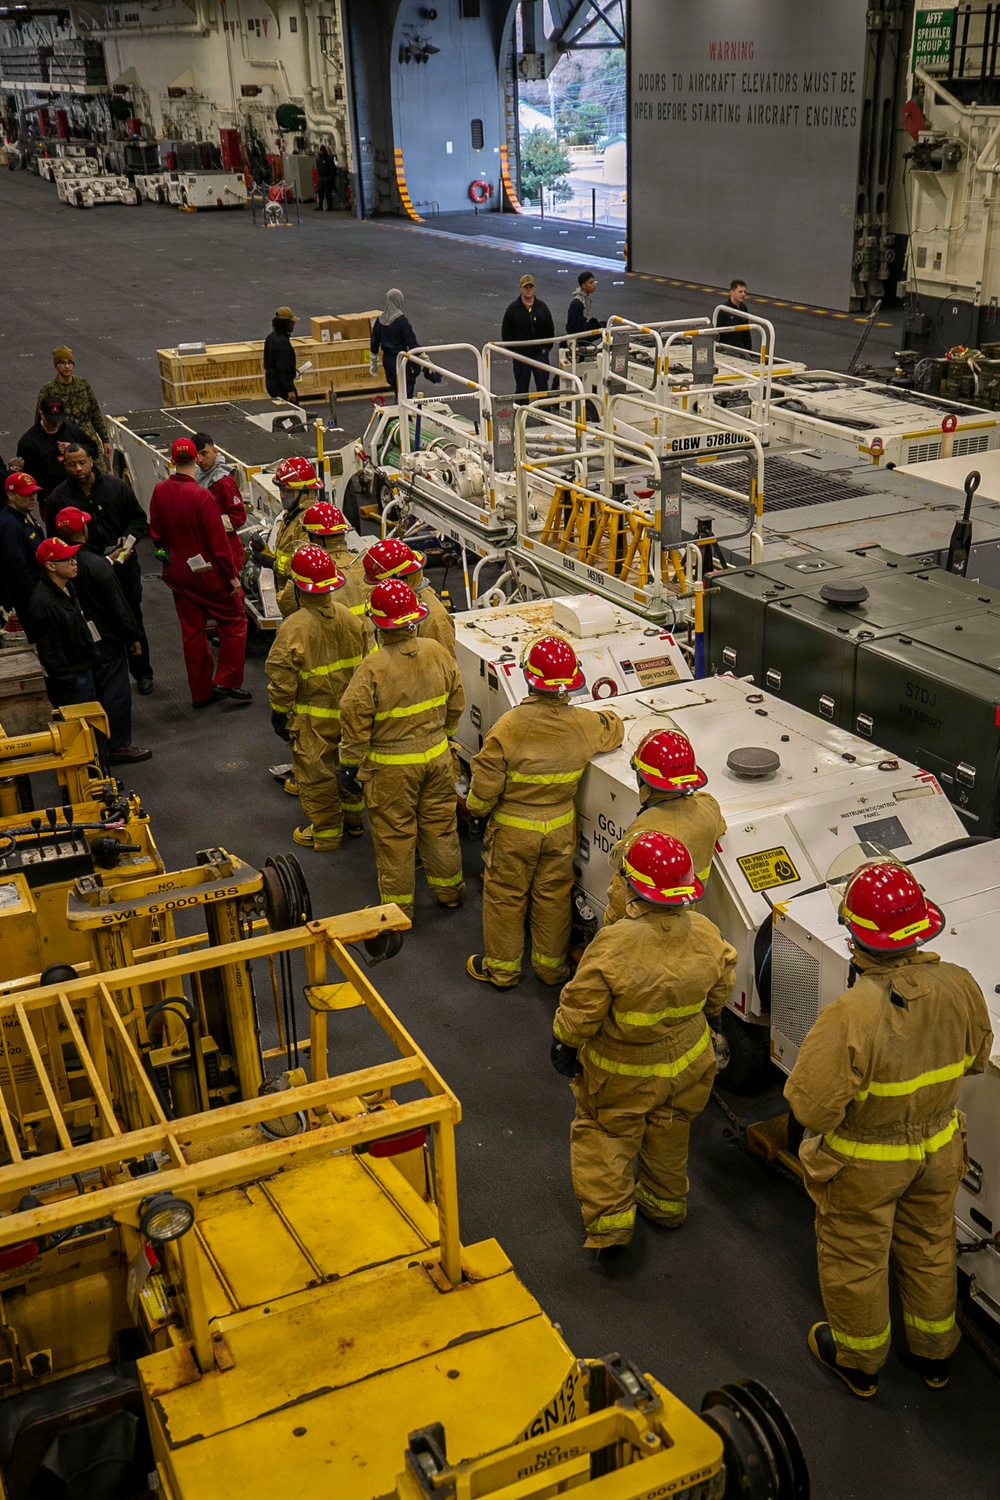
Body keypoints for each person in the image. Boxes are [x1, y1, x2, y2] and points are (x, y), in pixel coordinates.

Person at [784, 856, 992, 1399]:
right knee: (929, 1245)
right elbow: (976, 1059)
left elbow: (811, 1108)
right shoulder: (961, 985)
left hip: (866, 1164)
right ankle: (935, 1355)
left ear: (855, 936)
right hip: (942, 1147)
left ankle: (858, 1360)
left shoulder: (852, 1014)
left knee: (857, 1254)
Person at [551, 830, 738, 1251]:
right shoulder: (707, 932)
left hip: (623, 1074)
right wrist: (709, 1019)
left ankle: (613, 1228)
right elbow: (721, 989)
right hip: (690, 1062)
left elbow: (582, 1007)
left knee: (606, 1138)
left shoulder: (615, 944)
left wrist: (564, 1041)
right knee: (669, 1130)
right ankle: (666, 1205)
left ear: (632, 886)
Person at [466, 635, 623, 989]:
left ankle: (503, 970)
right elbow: (614, 728)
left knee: (506, 896)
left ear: (529, 678)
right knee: (552, 896)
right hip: (560, 829)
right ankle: (551, 969)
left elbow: (485, 783)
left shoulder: (508, 727)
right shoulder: (583, 724)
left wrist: (476, 814)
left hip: (512, 831)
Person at [339, 579, 465, 916]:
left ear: (378, 624)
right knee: (440, 825)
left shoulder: (372, 668)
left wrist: (349, 765)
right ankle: (450, 891)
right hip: (438, 757)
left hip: (391, 768)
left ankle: (399, 911)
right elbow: (456, 701)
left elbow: (354, 719)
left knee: (395, 836)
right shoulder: (437, 652)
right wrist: (445, 735)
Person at [267, 545, 365, 852]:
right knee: (349, 767)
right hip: (351, 714)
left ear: (298, 586)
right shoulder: (350, 618)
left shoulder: (294, 628)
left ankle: (326, 834)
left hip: (313, 718)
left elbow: (282, 679)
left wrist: (278, 713)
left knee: (317, 776)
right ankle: (354, 821)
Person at [148, 437, 250, 710]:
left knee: (192, 633)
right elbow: (218, 545)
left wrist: (171, 559)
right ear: (196, 459)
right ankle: (227, 681)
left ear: (172, 460)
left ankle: (200, 693)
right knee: (234, 621)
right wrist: (232, 578)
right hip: (208, 577)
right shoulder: (202, 496)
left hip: (178, 576)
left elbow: (156, 536)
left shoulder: (159, 491)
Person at [49, 443, 153, 694]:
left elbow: (139, 519)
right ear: (65, 465)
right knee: (96, 621)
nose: (78, 468)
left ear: (91, 460)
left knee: (131, 615)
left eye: (82, 462)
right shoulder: (59, 498)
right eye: (72, 464)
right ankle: (105, 673)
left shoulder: (117, 487)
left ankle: (142, 671)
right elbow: (55, 539)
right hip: (85, 572)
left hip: (124, 567)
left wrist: (128, 539)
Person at [53, 507, 150, 764]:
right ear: (84, 530)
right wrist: (134, 636)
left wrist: (106, 560)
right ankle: (118, 745)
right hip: (108, 639)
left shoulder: (59, 567)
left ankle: (94, 745)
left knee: (91, 693)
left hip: (79, 642)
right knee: (116, 691)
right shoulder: (96, 566)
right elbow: (118, 606)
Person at [604, 730, 726, 926]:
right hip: (686, 924)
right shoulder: (709, 810)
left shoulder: (643, 836)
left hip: (644, 932)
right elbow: (709, 808)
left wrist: (610, 930)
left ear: (643, 778)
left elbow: (620, 898)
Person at [28, 537, 100, 712]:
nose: (74, 563)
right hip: (72, 682)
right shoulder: (43, 604)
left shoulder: (67, 588)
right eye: (67, 560)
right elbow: (49, 650)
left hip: (84, 670)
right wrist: (68, 680)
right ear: (51, 566)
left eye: (74, 557)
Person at [276, 500, 368, 622]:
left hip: (332, 639)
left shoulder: (312, 574)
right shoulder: (364, 566)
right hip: (370, 639)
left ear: (317, 537)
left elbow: (286, 605)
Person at [361, 537, 455, 656]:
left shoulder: (435, 618)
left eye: (382, 583)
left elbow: (443, 667)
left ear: (401, 579)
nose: (380, 589)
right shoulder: (395, 602)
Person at [36, 346, 110, 471]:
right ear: (56, 366)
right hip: (63, 442)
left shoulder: (83, 385)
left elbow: (95, 413)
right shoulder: (48, 390)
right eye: (62, 363)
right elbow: (40, 420)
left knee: (100, 475)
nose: (67, 366)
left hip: (88, 440)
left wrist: (105, 439)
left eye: (69, 362)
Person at [16, 398, 95, 500]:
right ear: (41, 414)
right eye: (51, 420)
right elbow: (28, 476)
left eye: (59, 419)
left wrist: (75, 448)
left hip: (81, 490)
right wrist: (43, 497)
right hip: (52, 496)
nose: (56, 424)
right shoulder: (28, 442)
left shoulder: (71, 430)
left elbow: (93, 448)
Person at [193, 432, 247, 575]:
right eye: (196, 455)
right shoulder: (197, 475)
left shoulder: (224, 482)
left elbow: (239, 517)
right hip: (207, 549)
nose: (200, 460)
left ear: (215, 451)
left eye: (204, 453)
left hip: (227, 552)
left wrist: (209, 524)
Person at [0, 471, 46, 630]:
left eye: (34, 493)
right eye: (26, 494)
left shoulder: (24, 514)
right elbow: (18, 569)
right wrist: (42, 594)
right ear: (11, 496)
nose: (33, 497)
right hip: (30, 601)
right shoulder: (11, 527)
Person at [268, 456, 322, 589]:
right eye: (281, 489)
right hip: (286, 593)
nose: (282, 495)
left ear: (305, 493)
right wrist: (265, 552)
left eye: (288, 491)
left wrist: (272, 562)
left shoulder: (310, 521)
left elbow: (305, 568)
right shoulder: (291, 515)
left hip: (298, 597)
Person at [501, 274, 555, 399]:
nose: (528, 289)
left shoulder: (542, 307)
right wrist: (515, 351)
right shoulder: (513, 309)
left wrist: (545, 349)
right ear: (520, 288)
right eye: (526, 287)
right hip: (521, 355)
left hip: (540, 353)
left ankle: (544, 413)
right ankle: (521, 413)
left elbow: (550, 329)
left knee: (543, 386)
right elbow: (506, 333)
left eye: (530, 286)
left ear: (534, 288)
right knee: (521, 388)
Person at [370, 289, 420, 399]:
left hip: (387, 360)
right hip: (400, 359)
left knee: (396, 388)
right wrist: (422, 359)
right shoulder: (401, 320)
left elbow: (374, 343)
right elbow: (412, 342)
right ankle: (404, 414)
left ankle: (399, 407)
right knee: (406, 390)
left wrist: (373, 363)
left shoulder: (380, 320)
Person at [264, 306, 299, 401]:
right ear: (286, 324)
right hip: (280, 385)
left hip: (271, 382)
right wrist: (289, 390)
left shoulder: (270, 337)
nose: (293, 325)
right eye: (292, 323)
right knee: (293, 412)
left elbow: (272, 362)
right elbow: (282, 368)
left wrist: (291, 367)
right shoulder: (282, 343)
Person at [716, 279, 753, 351]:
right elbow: (719, 332)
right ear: (732, 292)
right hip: (726, 349)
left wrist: (749, 351)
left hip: (740, 348)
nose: (743, 294)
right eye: (740, 292)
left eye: (744, 292)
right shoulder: (723, 309)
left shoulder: (743, 308)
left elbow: (746, 333)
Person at [566, 270, 604, 338]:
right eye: (591, 283)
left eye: (594, 282)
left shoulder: (584, 300)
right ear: (583, 285)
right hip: (580, 335)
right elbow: (571, 326)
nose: (594, 285)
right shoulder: (577, 303)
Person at [315, 145, 336, 211]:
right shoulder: (319, 159)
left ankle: (329, 206)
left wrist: (331, 177)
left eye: (322, 151)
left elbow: (332, 169)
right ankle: (320, 205)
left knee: (328, 193)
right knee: (320, 192)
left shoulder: (328, 158)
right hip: (321, 177)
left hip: (327, 177)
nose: (321, 152)